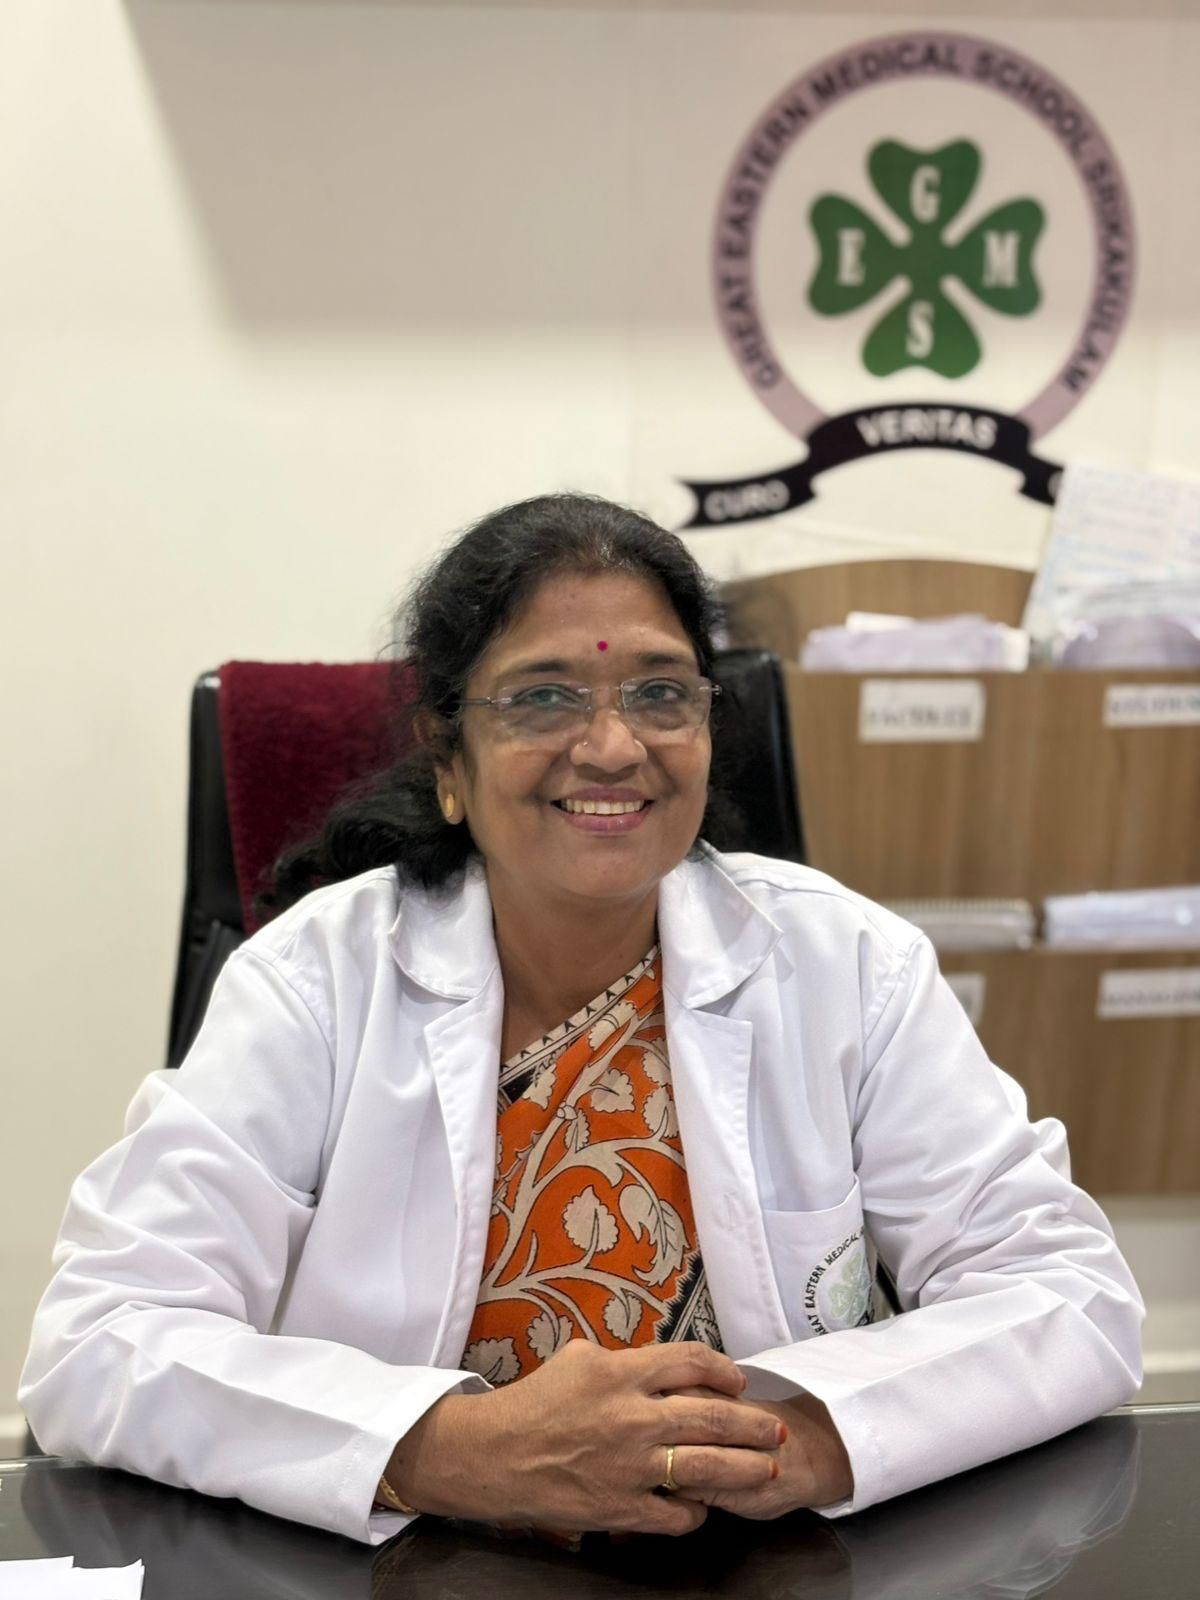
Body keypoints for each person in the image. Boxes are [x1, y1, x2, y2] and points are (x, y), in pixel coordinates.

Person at [21, 494, 1143, 1546]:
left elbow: (1069, 1294)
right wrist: (448, 1451)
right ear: (448, 758)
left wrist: (817, 1436)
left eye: (660, 693)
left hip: (758, 1560)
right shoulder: (316, 984)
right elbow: (99, 1339)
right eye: (543, 697)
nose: (613, 746)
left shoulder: (847, 965)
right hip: (409, 1563)